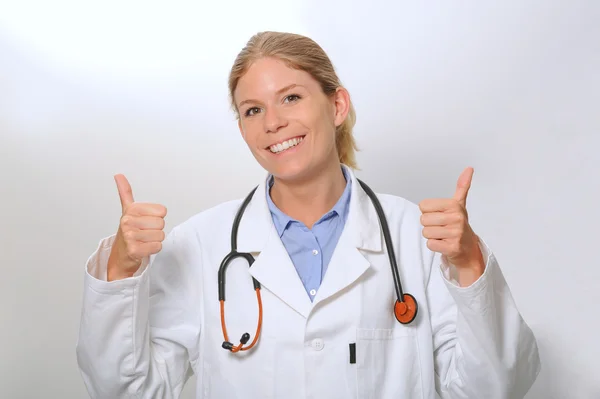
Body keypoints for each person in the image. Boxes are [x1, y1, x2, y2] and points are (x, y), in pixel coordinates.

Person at [75, 31, 541, 398]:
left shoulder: (417, 239)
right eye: (252, 109)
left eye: (291, 98)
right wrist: (121, 268)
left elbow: (495, 390)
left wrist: (470, 265)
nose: (272, 122)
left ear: (337, 105)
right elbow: (126, 393)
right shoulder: (201, 244)